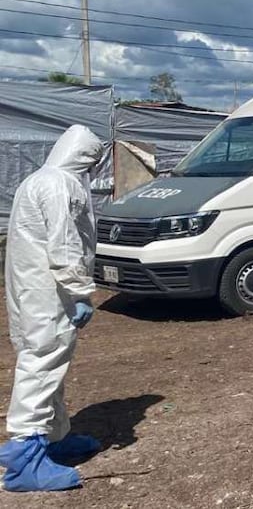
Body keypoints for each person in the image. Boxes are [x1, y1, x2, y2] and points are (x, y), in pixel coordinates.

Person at [0, 125, 105, 492]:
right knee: (42, 363)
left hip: (31, 287)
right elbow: (64, 243)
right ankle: (24, 460)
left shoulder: (39, 179)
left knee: (48, 363)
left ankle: (54, 437)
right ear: (87, 157)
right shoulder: (62, 184)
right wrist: (79, 292)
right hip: (49, 292)